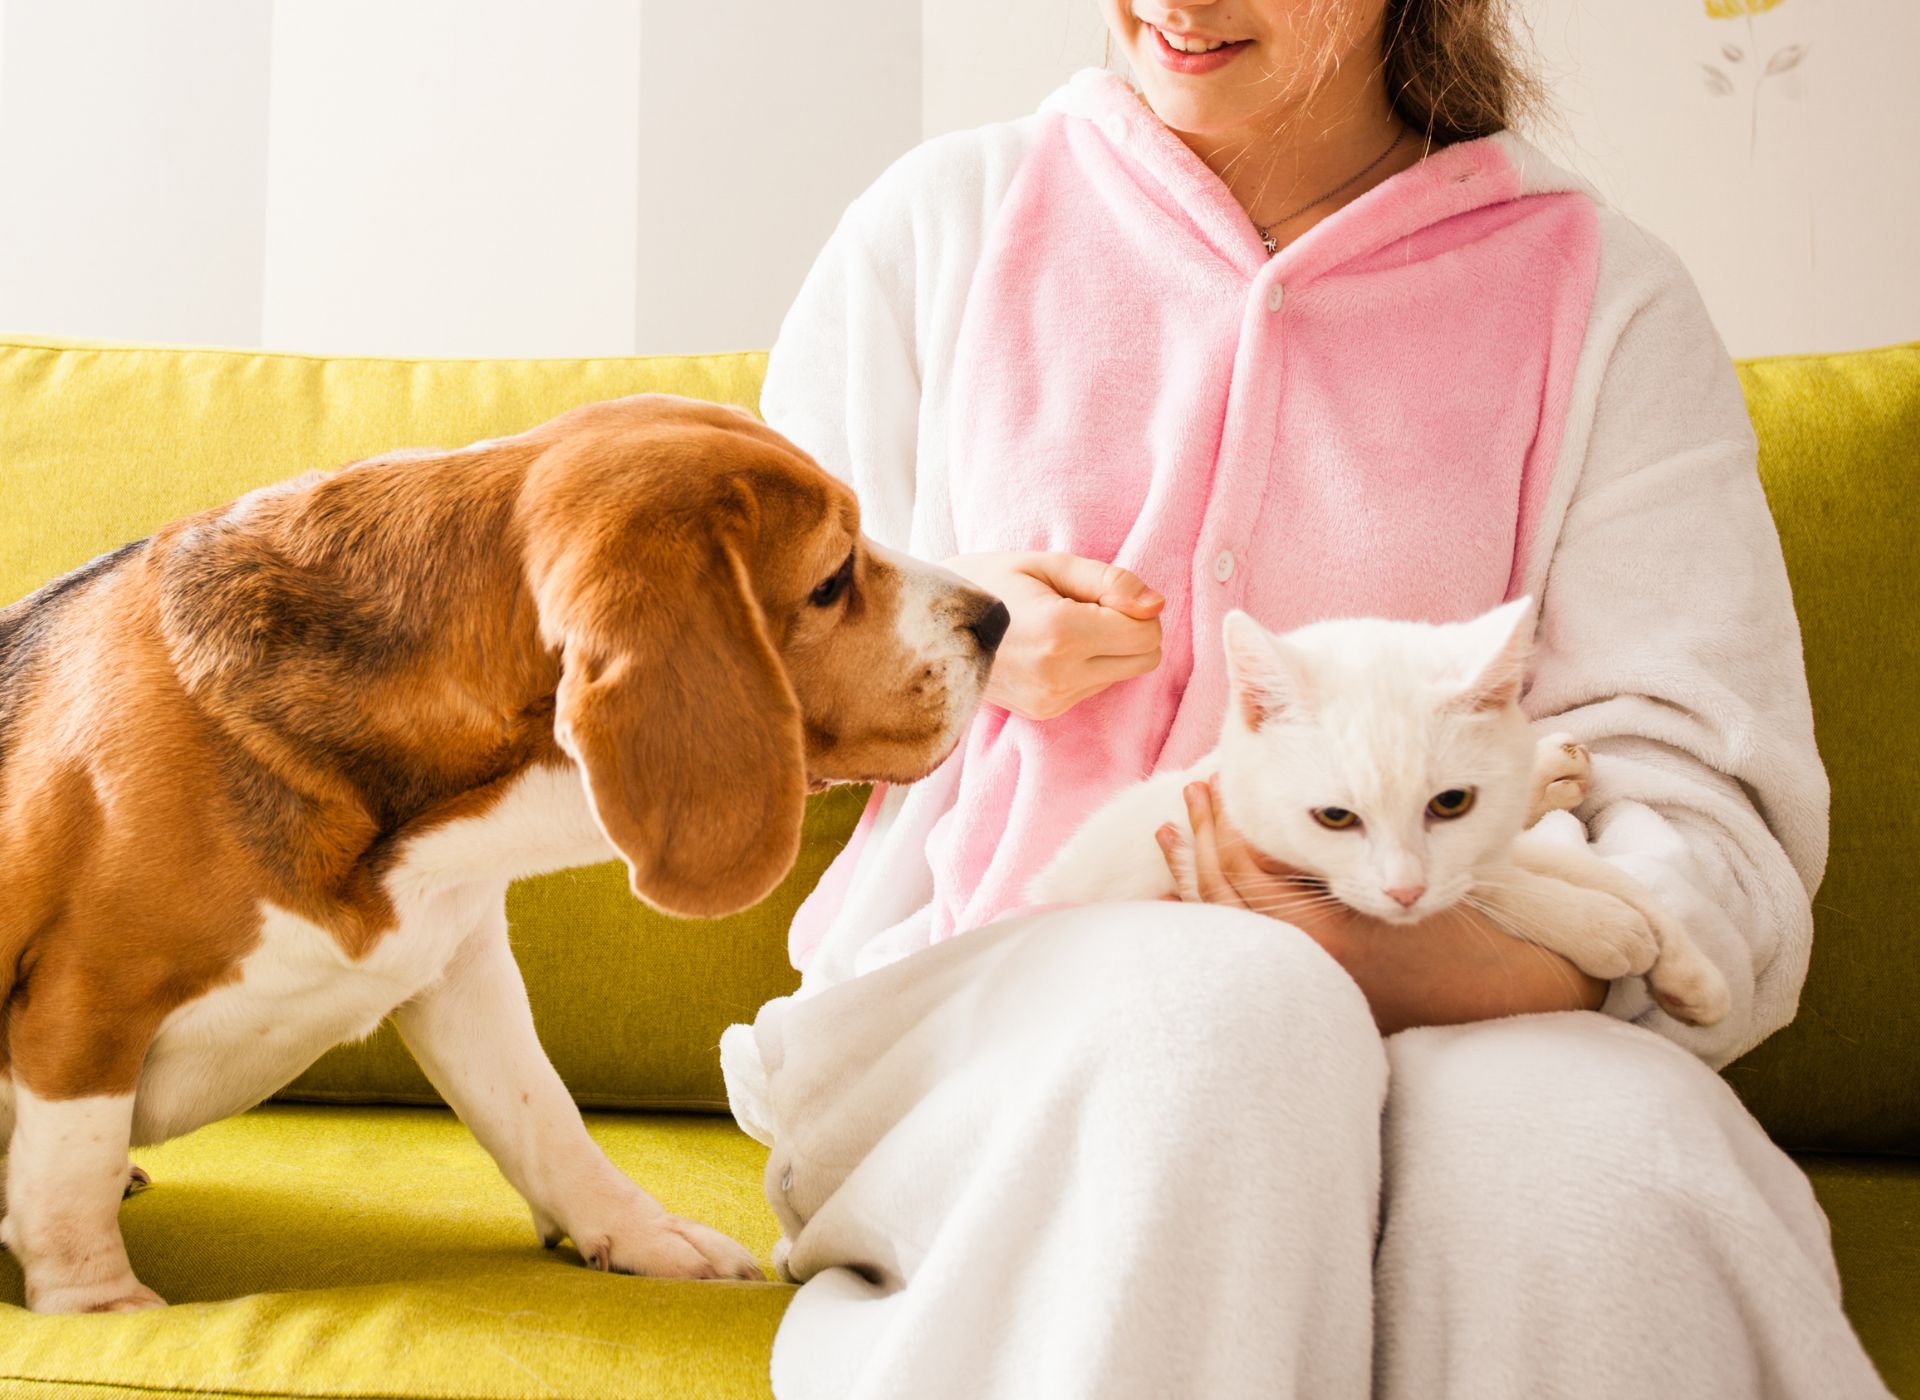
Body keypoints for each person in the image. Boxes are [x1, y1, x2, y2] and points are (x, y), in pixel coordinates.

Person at [718, 2, 1893, 1395]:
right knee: (1219, 1033)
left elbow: (1706, 813)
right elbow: (723, 715)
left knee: (1606, 1176)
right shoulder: (938, 230)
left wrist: (1448, 963)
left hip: (1486, 1007)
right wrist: (939, 637)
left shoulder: (1608, 300)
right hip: (981, 1016)